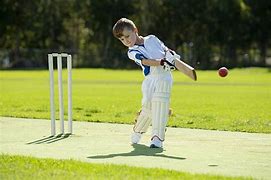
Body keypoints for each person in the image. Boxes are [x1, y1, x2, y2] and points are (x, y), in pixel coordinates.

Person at [112, 18, 180, 148]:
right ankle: (138, 130)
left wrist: (171, 54)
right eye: (122, 40)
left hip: (164, 77)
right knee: (148, 109)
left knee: (160, 104)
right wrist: (162, 62)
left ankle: (157, 139)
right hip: (150, 80)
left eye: (127, 36)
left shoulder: (152, 39)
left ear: (135, 31)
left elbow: (165, 49)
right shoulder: (131, 52)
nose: (126, 41)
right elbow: (145, 61)